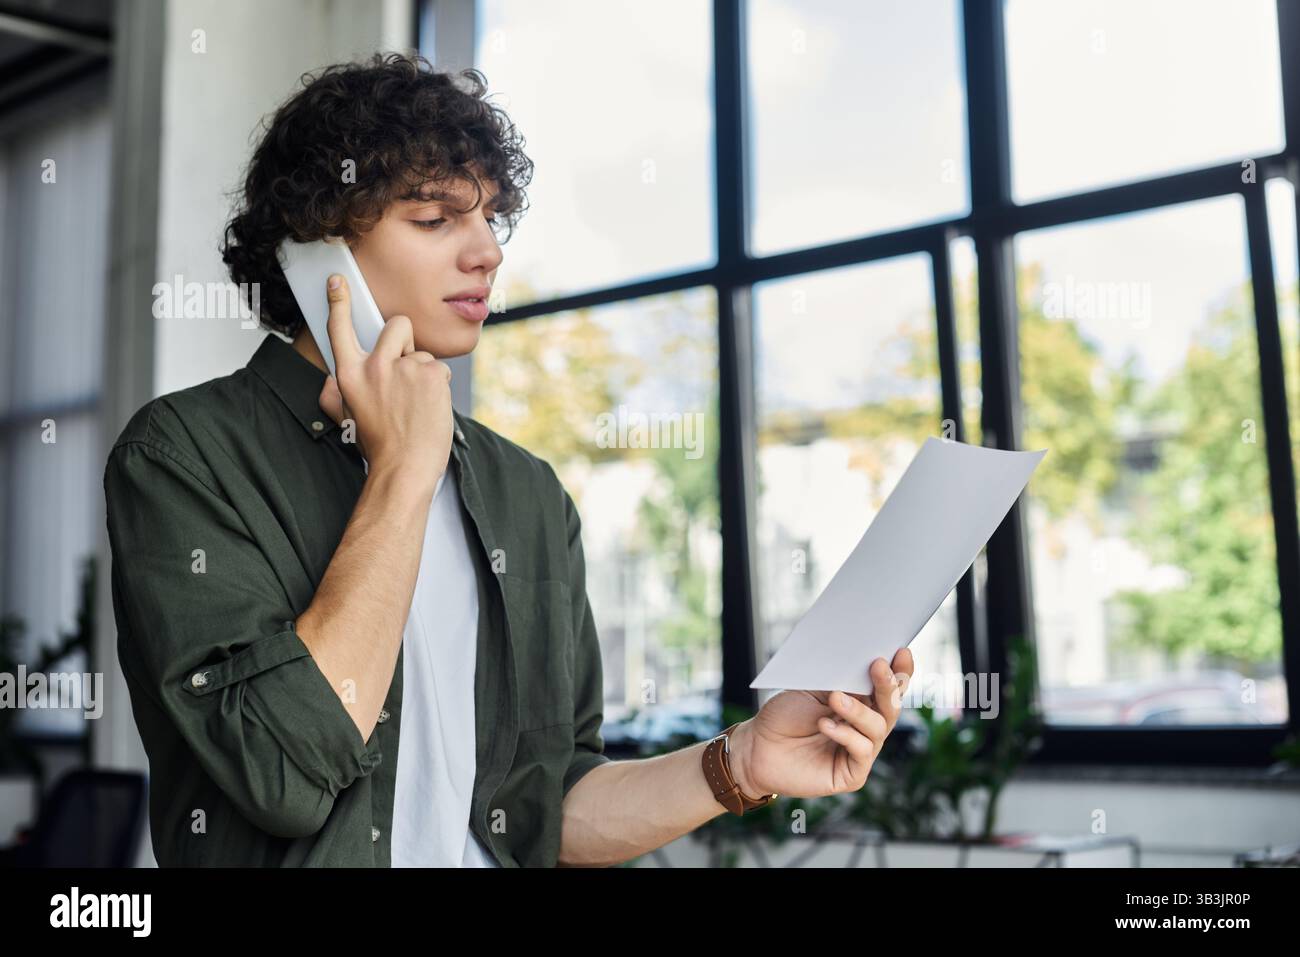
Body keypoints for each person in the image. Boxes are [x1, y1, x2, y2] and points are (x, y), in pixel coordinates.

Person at [103, 51, 914, 868]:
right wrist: (400, 474)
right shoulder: (182, 455)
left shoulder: (526, 492)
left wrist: (739, 763)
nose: (487, 252)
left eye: (491, 218)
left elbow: (548, 807)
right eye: (436, 220)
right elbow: (280, 774)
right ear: (318, 254)